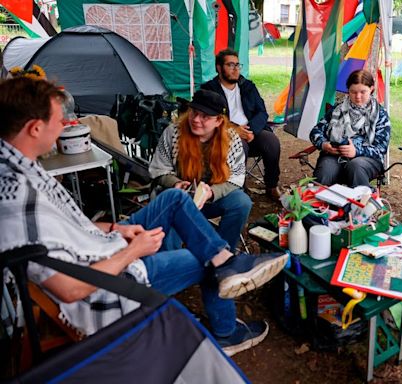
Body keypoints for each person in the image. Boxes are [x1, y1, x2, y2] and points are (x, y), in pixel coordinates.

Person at [0, 77, 288, 356]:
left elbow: (64, 226)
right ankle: (226, 330)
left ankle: (225, 262)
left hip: (101, 243)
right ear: (35, 128)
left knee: (178, 202)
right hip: (106, 281)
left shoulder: (18, 169)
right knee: (203, 255)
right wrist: (133, 251)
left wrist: (114, 227)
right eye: (58, 120)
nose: (66, 125)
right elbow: (71, 289)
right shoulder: (17, 201)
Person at [149, 89, 251, 252]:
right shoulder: (173, 132)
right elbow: (159, 169)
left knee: (241, 202)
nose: (196, 119)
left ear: (218, 120)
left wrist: (211, 192)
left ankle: (221, 254)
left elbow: (236, 178)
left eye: (205, 116)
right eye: (194, 112)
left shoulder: (231, 139)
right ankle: (172, 263)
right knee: (167, 211)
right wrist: (175, 183)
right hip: (179, 198)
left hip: (212, 199)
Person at [201, 49, 281, 201]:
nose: (236, 69)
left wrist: (251, 130)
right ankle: (238, 188)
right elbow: (209, 118)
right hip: (225, 135)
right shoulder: (209, 90)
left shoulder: (247, 86)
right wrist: (234, 129)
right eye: (230, 65)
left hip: (251, 130)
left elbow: (262, 112)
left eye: (238, 65)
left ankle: (271, 186)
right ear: (219, 68)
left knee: (271, 141)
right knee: (239, 146)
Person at [309, 69, 391, 188]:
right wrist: (323, 144)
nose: (358, 97)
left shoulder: (380, 115)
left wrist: (356, 151)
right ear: (348, 90)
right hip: (335, 155)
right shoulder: (338, 109)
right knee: (326, 170)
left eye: (363, 92)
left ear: (372, 89)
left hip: (367, 159)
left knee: (356, 166)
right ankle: (320, 204)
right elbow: (315, 132)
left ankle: (359, 205)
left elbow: (381, 149)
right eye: (353, 92)